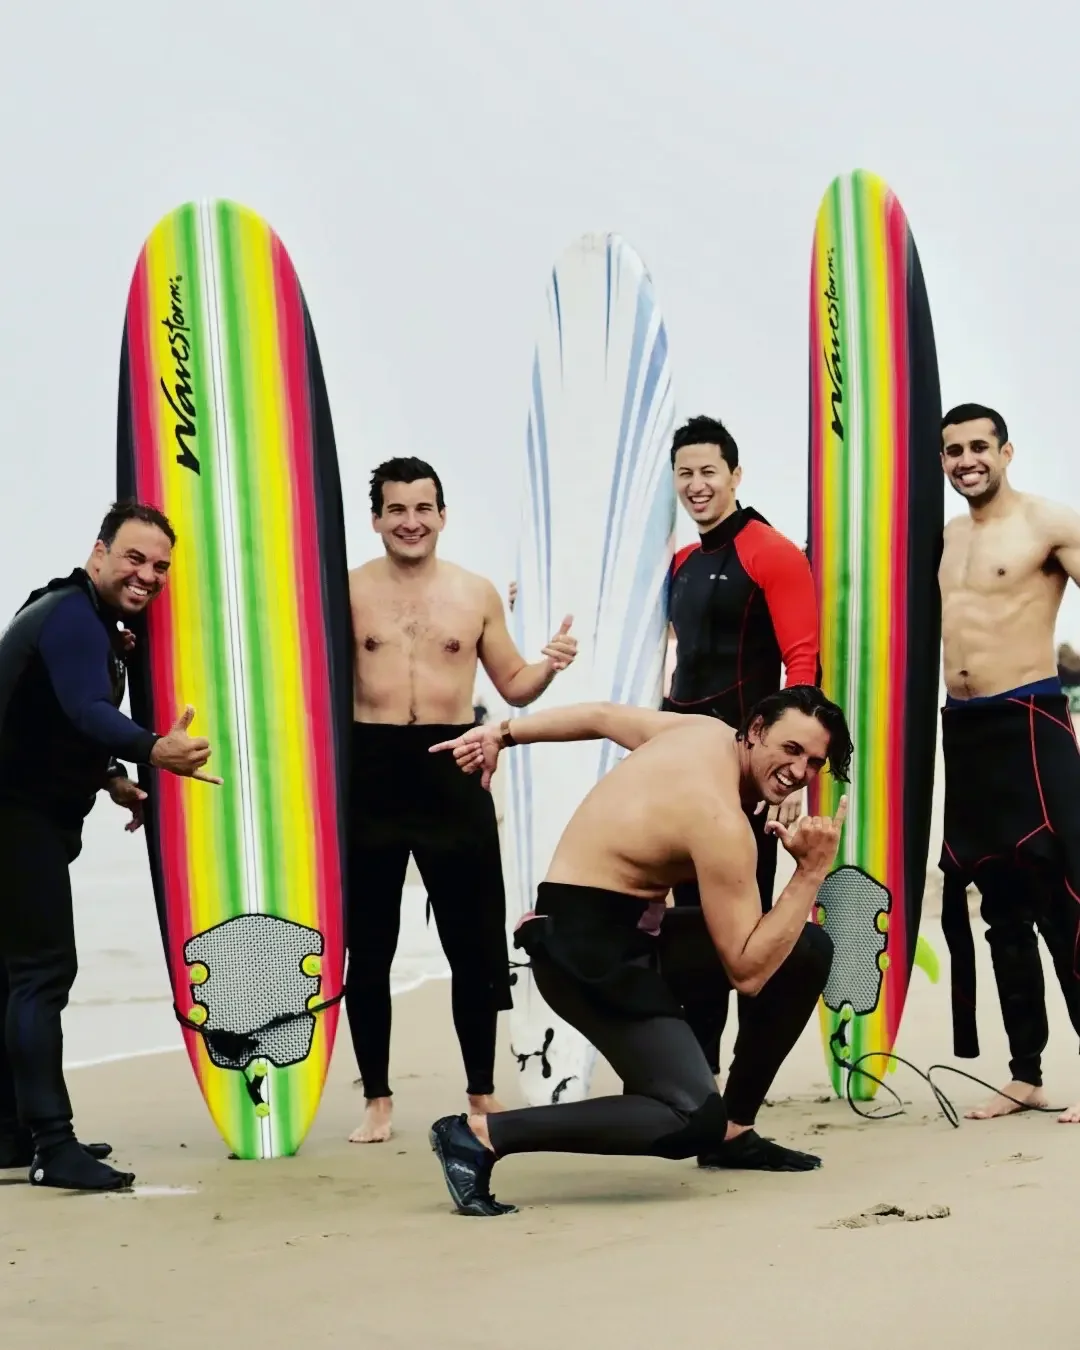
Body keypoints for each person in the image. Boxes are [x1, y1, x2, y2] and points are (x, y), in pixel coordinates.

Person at [425, 684, 851, 1216]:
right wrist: (810, 873)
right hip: (587, 957)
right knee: (688, 1118)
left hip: (614, 928)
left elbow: (601, 715)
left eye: (813, 762)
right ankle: (481, 1135)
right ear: (758, 730)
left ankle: (734, 1132)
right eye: (790, 750)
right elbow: (748, 972)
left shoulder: (704, 733)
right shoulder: (720, 820)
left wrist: (503, 734)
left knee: (805, 948)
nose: (799, 771)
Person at [346, 457, 578, 1144]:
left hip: (455, 766)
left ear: (443, 515)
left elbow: (511, 685)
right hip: (372, 770)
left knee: (474, 945)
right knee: (371, 946)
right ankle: (378, 1102)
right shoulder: (346, 590)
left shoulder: (475, 594)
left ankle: (482, 1091)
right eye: (396, 510)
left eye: (423, 508)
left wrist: (549, 664)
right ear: (377, 519)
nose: (411, 522)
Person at [0, 501, 221, 1191]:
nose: (147, 574)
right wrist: (154, 748)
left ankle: (13, 1133)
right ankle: (52, 1146)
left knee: (13, 980)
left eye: (160, 566)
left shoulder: (77, 619)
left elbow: (39, 721)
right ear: (99, 554)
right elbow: (85, 710)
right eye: (134, 557)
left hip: (21, 811)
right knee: (42, 974)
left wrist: (110, 780)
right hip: (14, 817)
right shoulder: (71, 614)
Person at [664, 415, 821, 1075]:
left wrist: (788, 775)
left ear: (735, 474)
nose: (697, 485)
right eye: (686, 474)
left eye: (709, 472)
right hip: (682, 768)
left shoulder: (770, 552)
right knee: (691, 924)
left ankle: (743, 1088)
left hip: (743, 771)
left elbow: (802, 665)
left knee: (747, 930)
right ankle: (698, 1075)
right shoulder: (678, 563)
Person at [937, 403, 1080, 1123]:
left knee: (1064, 899)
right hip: (964, 733)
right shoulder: (948, 536)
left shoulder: (1049, 524)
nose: (967, 460)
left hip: (1030, 720)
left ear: (1006, 451)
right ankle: (1025, 1074)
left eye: (979, 447)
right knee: (998, 910)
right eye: (954, 450)